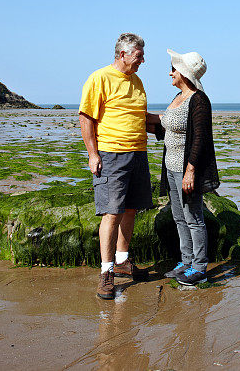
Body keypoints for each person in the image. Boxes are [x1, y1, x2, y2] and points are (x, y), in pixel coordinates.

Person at [79, 33, 158, 299]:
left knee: (131, 209)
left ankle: (123, 261)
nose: (142, 61)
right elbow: (87, 117)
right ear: (122, 54)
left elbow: (138, 116)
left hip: (138, 153)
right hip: (111, 154)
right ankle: (106, 272)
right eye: (138, 56)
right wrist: (93, 154)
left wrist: (175, 118)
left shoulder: (137, 81)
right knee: (111, 213)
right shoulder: (99, 77)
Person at [154, 49, 220, 286]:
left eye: (174, 69)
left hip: (186, 169)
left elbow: (201, 139)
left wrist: (190, 171)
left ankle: (200, 267)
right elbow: (163, 125)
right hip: (170, 167)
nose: (170, 72)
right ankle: (186, 260)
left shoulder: (198, 99)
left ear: (184, 73)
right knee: (178, 216)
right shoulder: (177, 97)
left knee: (193, 217)